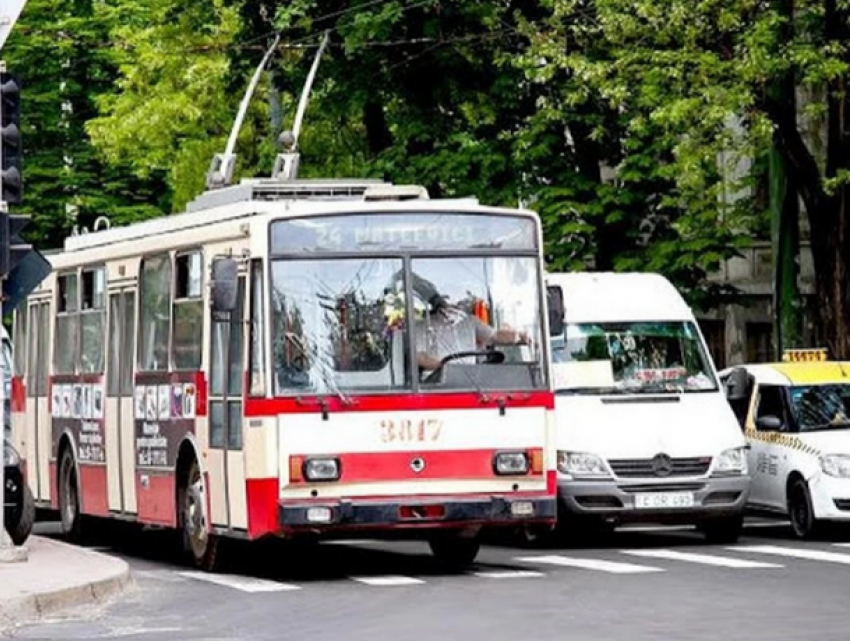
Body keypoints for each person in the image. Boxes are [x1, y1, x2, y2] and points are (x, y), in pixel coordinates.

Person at [415, 292, 530, 371]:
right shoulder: (421, 326)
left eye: (456, 301)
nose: (453, 305)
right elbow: (419, 357)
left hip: (471, 382)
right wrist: (444, 367)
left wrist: (519, 336)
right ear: (434, 305)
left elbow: (494, 336)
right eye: (446, 301)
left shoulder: (470, 321)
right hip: (437, 384)